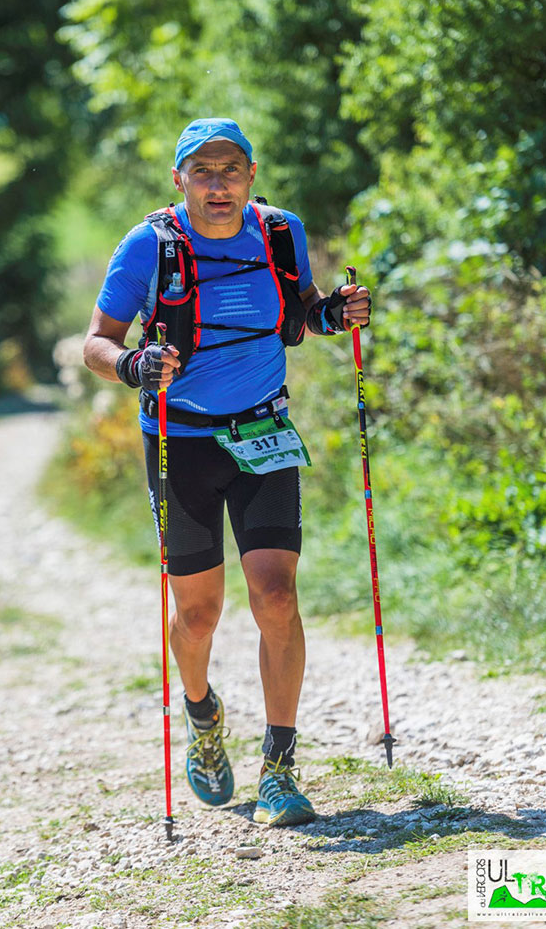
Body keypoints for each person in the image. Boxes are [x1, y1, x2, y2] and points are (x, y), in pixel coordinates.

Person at [83, 118, 371, 826]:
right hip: (179, 442)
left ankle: (279, 766)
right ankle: (203, 714)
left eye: (231, 170)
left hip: (263, 433)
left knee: (275, 594)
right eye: (202, 172)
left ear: (250, 175)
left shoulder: (278, 233)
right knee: (199, 612)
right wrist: (131, 365)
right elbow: (94, 341)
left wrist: (334, 313)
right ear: (178, 179)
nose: (218, 185)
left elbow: (300, 313)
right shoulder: (148, 246)